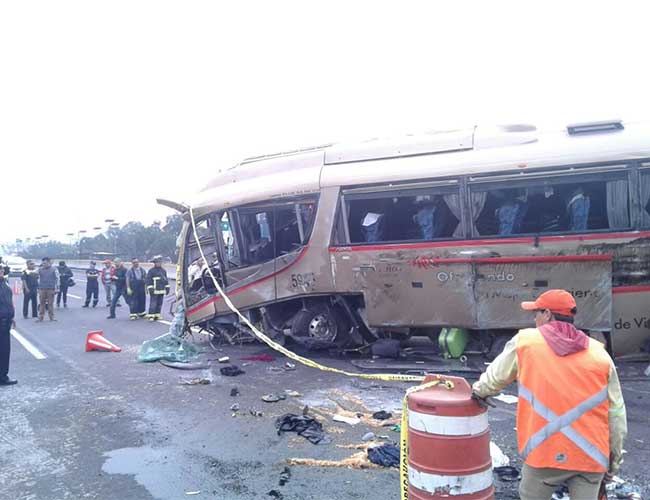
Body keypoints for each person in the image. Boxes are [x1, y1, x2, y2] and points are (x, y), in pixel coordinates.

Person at [472, 289, 627, 500]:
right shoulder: (600, 354)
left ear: (547, 314)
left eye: (536, 313)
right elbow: (616, 414)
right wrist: (613, 461)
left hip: (543, 454)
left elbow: (493, 379)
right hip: (590, 458)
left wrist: (479, 393)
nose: (534, 319)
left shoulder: (525, 343)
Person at [0, 266, 17, 386]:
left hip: (6, 321)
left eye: (1, 270)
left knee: (5, 351)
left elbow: (8, 302)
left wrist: (12, 317)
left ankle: (2, 376)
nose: (1, 271)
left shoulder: (4, 284)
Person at [146, 256, 170, 321]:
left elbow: (166, 280)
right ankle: (151, 315)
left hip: (161, 289)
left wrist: (167, 288)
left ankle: (157, 314)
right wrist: (150, 288)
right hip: (154, 290)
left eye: (160, 262)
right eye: (157, 262)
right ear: (155, 263)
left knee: (160, 303)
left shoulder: (163, 271)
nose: (159, 263)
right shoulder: (151, 271)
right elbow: (148, 280)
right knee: (153, 303)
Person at [37, 257, 59, 322]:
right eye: (43, 263)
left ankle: (51, 317)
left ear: (49, 263)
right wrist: (38, 288)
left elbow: (57, 279)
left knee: (50, 304)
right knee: (41, 303)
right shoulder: (40, 270)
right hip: (42, 288)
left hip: (51, 288)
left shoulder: (54, 269)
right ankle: (41, 317)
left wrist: (57, 288)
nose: (44, 264)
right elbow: (37, 278)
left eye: (45, 263)